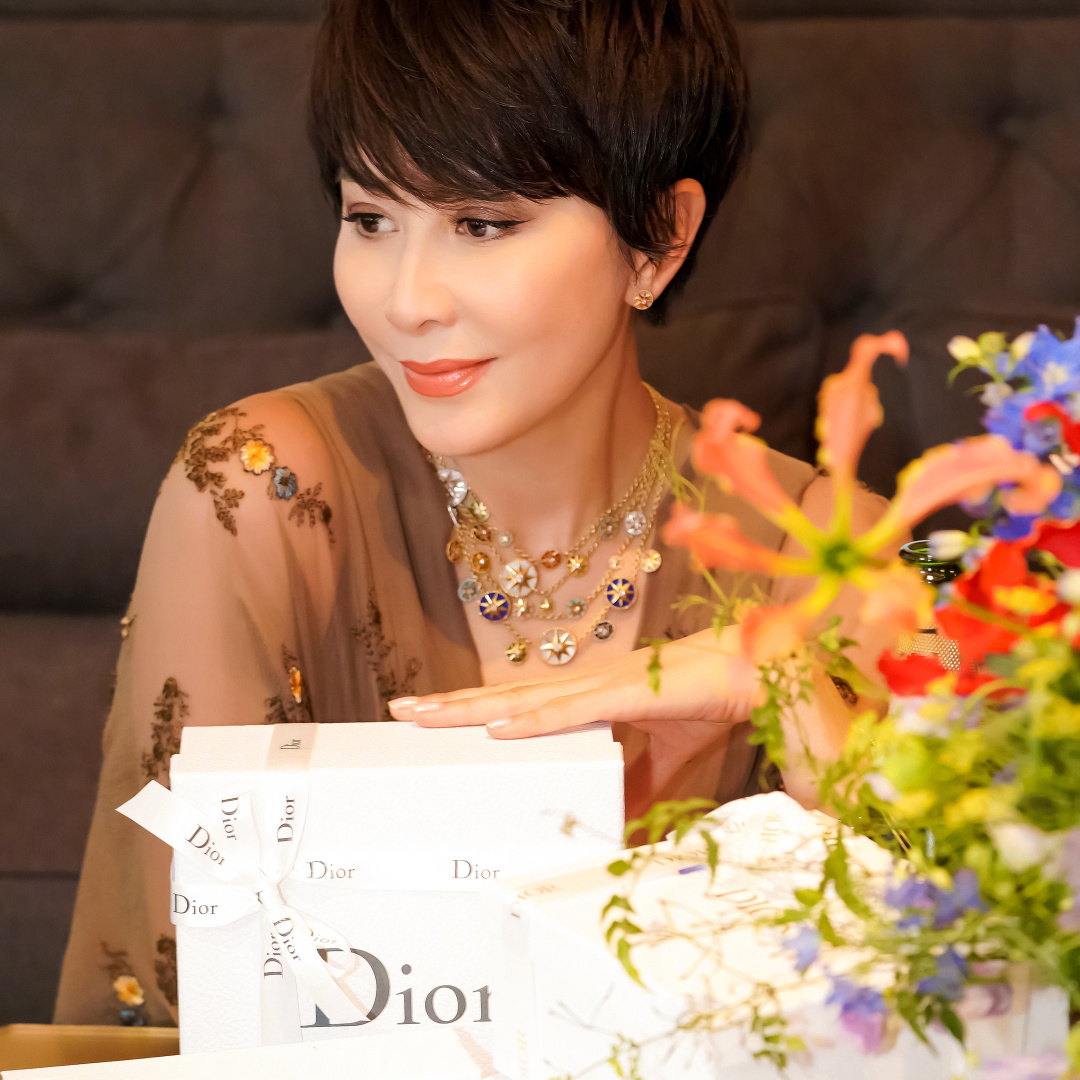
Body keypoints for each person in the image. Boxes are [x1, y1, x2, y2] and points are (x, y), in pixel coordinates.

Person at [55, 0, 895, 1026]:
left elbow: (966, 984)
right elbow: (180, 994)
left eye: (482, 225)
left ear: (658, 241)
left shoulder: (837, 549)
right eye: (371, 219)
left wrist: (788, 701)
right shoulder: (260, 485)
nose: (407, 300)